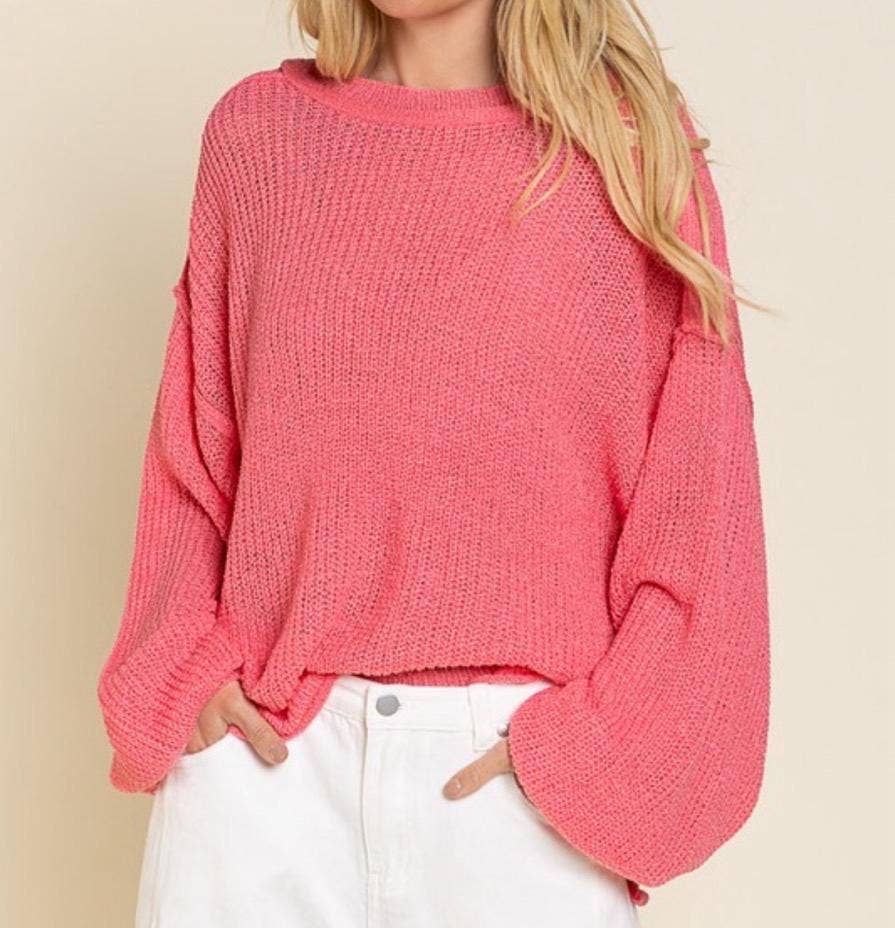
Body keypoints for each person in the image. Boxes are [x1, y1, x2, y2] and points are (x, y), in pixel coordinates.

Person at [96, 1, 771, 925]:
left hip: (519, 791)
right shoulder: (259, 136)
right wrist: (184, 669)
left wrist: (595, 753)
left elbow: (701, 509)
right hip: (264, 776)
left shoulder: (626, 153)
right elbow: (194, 440)